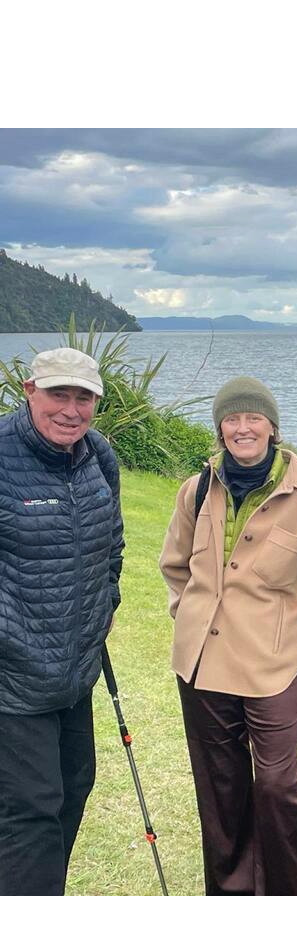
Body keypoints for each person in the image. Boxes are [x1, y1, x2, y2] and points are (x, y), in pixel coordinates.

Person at [159, 377, 297, 896]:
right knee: (220, 789)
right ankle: (229, 894)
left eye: (253, 418)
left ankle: (289, 894)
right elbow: (176, 567)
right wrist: (188, 621)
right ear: (220, 428)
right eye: (232, 418)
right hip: (202, 667)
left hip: (276, 668)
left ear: (273, 427)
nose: (242, 428)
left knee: (276, 786)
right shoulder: (198, 488)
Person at [0, 347, 124, 896]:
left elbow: (112, 546)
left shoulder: (99, 455)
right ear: (29, 391)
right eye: (58, 394)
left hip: (76, 673)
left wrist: (104, 608)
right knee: (31, 812)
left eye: (83, 398)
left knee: (74, 789)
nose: (71, 410)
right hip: (12, 681)